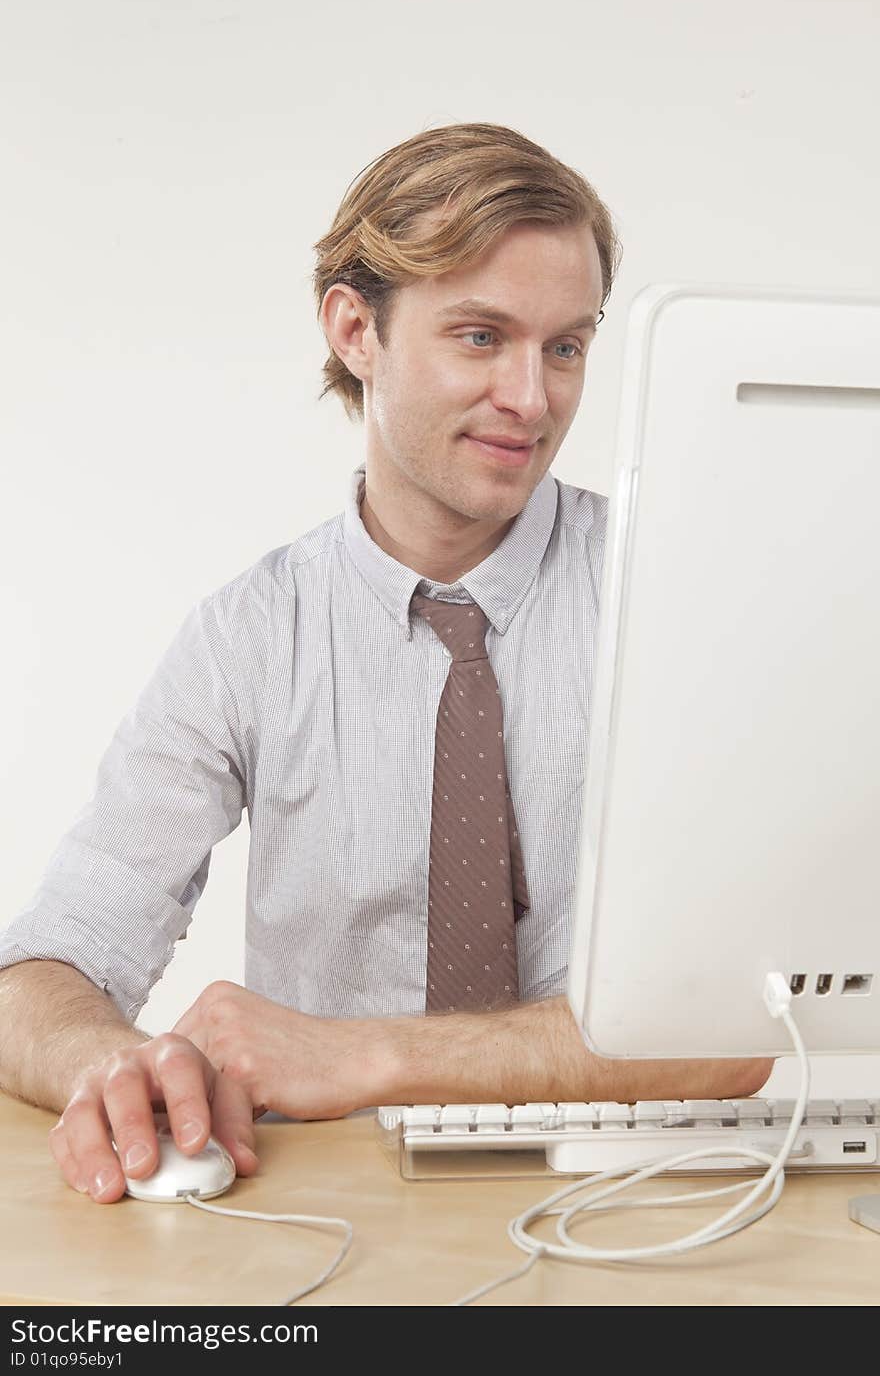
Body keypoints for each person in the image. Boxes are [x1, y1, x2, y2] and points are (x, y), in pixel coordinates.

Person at [0, 122, 773, 1205]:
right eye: (479, 337)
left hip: (636, 1202)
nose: (533, 398)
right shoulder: (249, 637)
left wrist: (362, 1054)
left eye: (565, 346)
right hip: (326, 1211)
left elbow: (735, 1027)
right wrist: (113, 1067)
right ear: (355, 329)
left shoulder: (675, 594)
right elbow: (45, 969)